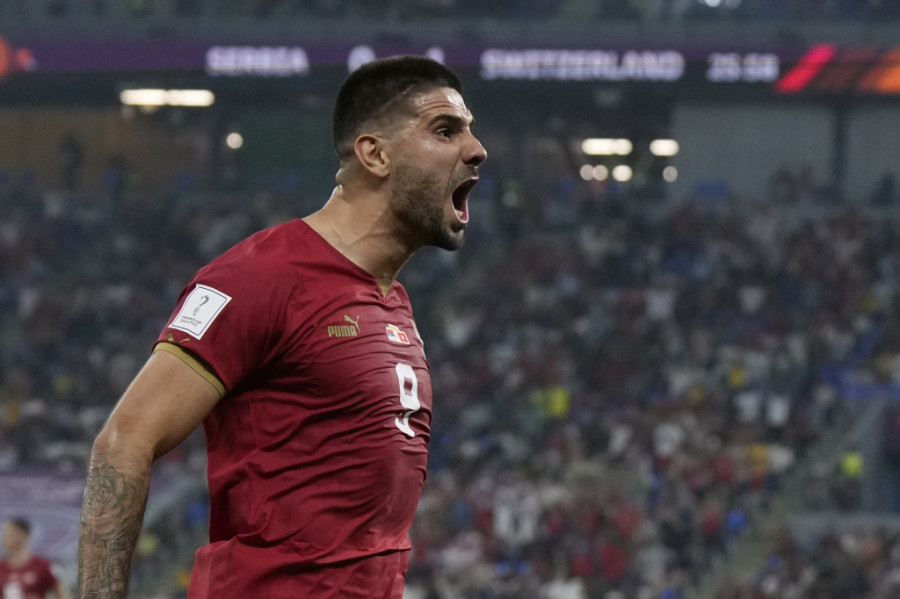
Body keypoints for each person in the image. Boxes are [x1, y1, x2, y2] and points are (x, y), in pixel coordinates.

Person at [77, 55, 487, 598]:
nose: (476, 149)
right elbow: (123, 443)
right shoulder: (260, 275)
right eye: (445, 130)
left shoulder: (393, 303)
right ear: (375, 154)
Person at [0, 518, 70, 599]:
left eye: (10, 534)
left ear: (23, 535)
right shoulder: (1, 567)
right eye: (5, 534)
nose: (5, 538)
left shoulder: (42, 566)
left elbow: (61, 593)